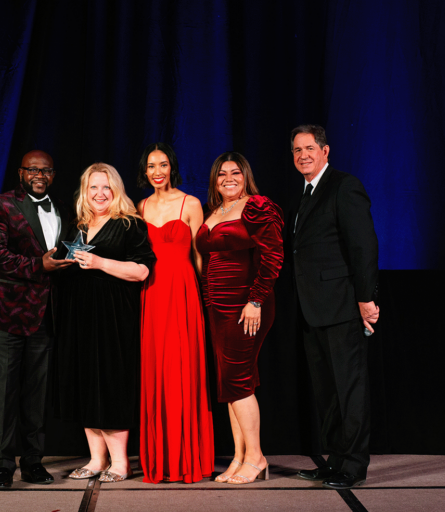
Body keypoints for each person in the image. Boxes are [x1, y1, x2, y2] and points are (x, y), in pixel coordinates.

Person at [289, 125, 379, 490]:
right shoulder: (305, 193)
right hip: (313, 308)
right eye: (297, 150)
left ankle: (353, 465)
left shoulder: (344, 186)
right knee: (328, 392)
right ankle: (336, 460)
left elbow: (363, 245)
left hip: (342, 305)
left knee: (349, 388)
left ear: (325, 151)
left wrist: (366, 298)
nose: (303, 155)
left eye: (310, 148)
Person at [0, 150, 75, 488]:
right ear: (20, 173)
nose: (39, 175)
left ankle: (33, 461)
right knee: (4, 393)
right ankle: (3, 465)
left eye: (45, 170)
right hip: (6, 315)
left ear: (53, 175)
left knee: (37, 394)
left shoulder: (63, 208)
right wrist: (38, 265)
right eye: (32, 169)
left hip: (45, 315)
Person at [57, 163, 156, 483]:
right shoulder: (78, 226)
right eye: (93, 187)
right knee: (86, 385)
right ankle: (97, 459)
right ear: (84, 192)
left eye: (106, 187)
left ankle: (120, 463)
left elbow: (141, 271)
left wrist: (100, 262)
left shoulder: (129, 224)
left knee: (111, 385)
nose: (100, 194)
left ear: (116, 191)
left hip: (114, 317)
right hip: (79, 317)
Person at [196, 152, 284, 485]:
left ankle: (257, 457)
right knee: (230, 383)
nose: (229, 179)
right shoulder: (214, 211)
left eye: (235, 172)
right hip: (218, 308)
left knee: (237, 380)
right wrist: (208, 301)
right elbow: (209, 261)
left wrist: (256, 300)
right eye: (222, 174)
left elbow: (273, 255)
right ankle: (239, 456)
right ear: (214, 181)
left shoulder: (257, 206)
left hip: (246, 305)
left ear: (246, 176)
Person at [136, 142, 215, 483]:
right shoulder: (140, 206)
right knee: (156, 369)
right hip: (151, 293)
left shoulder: (191, 204)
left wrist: (207, 299)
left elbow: (200, 256)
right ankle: (161, 459)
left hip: (183, 292)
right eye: (151, 166)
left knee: (183, 369)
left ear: (172, 168)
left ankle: (187, 458)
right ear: (145, 171)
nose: (158, 171)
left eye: (163, 164)